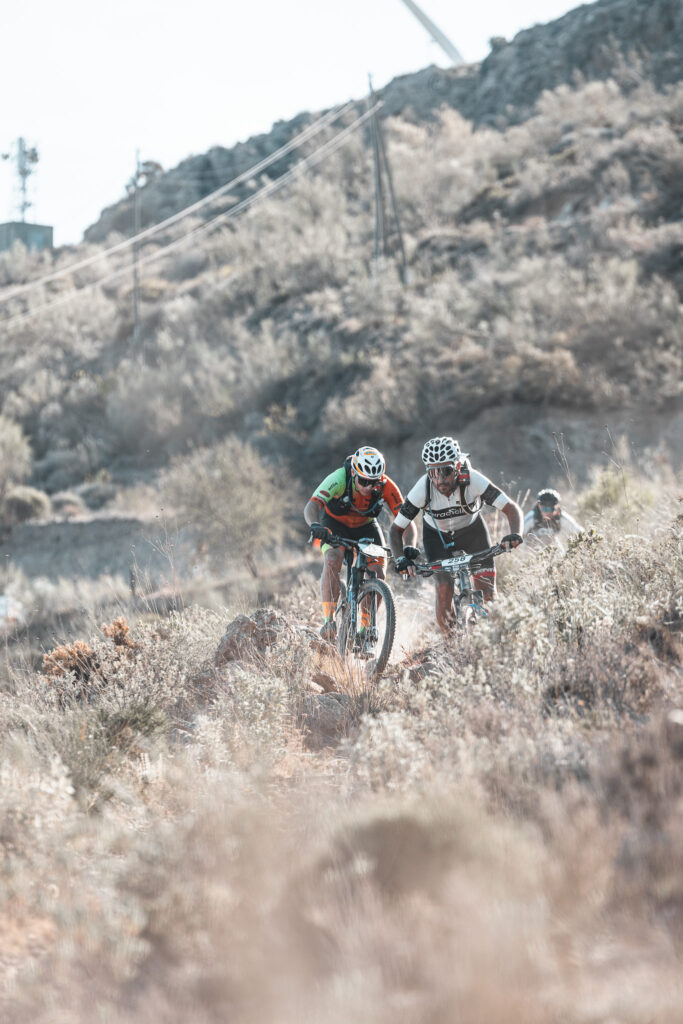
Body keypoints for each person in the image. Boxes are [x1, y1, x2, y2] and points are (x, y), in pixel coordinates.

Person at [389, 436, 523, 632]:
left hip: (473, 532)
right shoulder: (422, 488)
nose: (440, 479)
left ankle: (495, 638)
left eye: (446, 471)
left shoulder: (473, 480)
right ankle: (450, 643)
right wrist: (400, 559)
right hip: (437, 537)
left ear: (458, 466)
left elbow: (510, 508)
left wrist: (515, 534)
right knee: (444, 587)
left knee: (488, 592)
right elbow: (396, 530)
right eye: (433, 472)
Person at [304, 446, 417, 640]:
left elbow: (407, 523)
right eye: (363, 481)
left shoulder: (386, 485)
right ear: (354, 473)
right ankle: (329, 621)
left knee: (379, 572)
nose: (368, 487)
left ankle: (366, 628)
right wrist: (315, 525)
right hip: (335, 525)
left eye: (373, 483)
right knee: (333, 558)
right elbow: (312, 505)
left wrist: (409, 547)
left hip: (366, 527)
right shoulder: (339, 478)